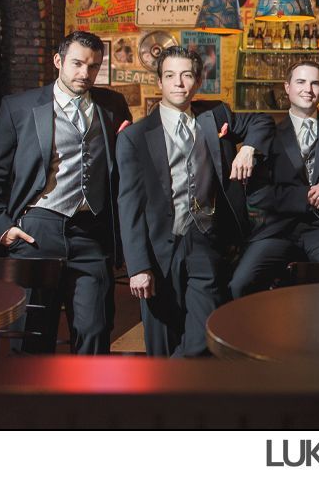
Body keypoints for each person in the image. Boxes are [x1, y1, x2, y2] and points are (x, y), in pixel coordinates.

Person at [0, 31, 132, 354]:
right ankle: (34, 404)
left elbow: (129, 160)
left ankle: (85, 403)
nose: (84, 74)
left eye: (93, 67)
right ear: (58, 61)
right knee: (33, 335)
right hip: (37, 232)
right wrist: (2, 229)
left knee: (95, 329)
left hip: (91, 233)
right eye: (76, 64)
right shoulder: (18, 108)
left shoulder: (113, 106)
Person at [116, 46, 273, 357]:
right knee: (160, 342)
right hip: (159, 249)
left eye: (186, 75)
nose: (178, 83)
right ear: (159, 82)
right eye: (170, 76)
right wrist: (137, 266)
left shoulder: (215, 116)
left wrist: (248, 149)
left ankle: (176, 381)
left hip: (206, 240)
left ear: (198, 81)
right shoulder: (135, 136)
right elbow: (129, 204)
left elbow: (262, 121)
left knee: (202, 339)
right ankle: (167, 397)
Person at [232, 62, 319, 297]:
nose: (308, 89)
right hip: (279, 229)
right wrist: (310, 197)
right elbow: (260, 193)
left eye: (315, 83)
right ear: (287, 87)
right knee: (240, 284)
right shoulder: (269, 134)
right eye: (301, 82)